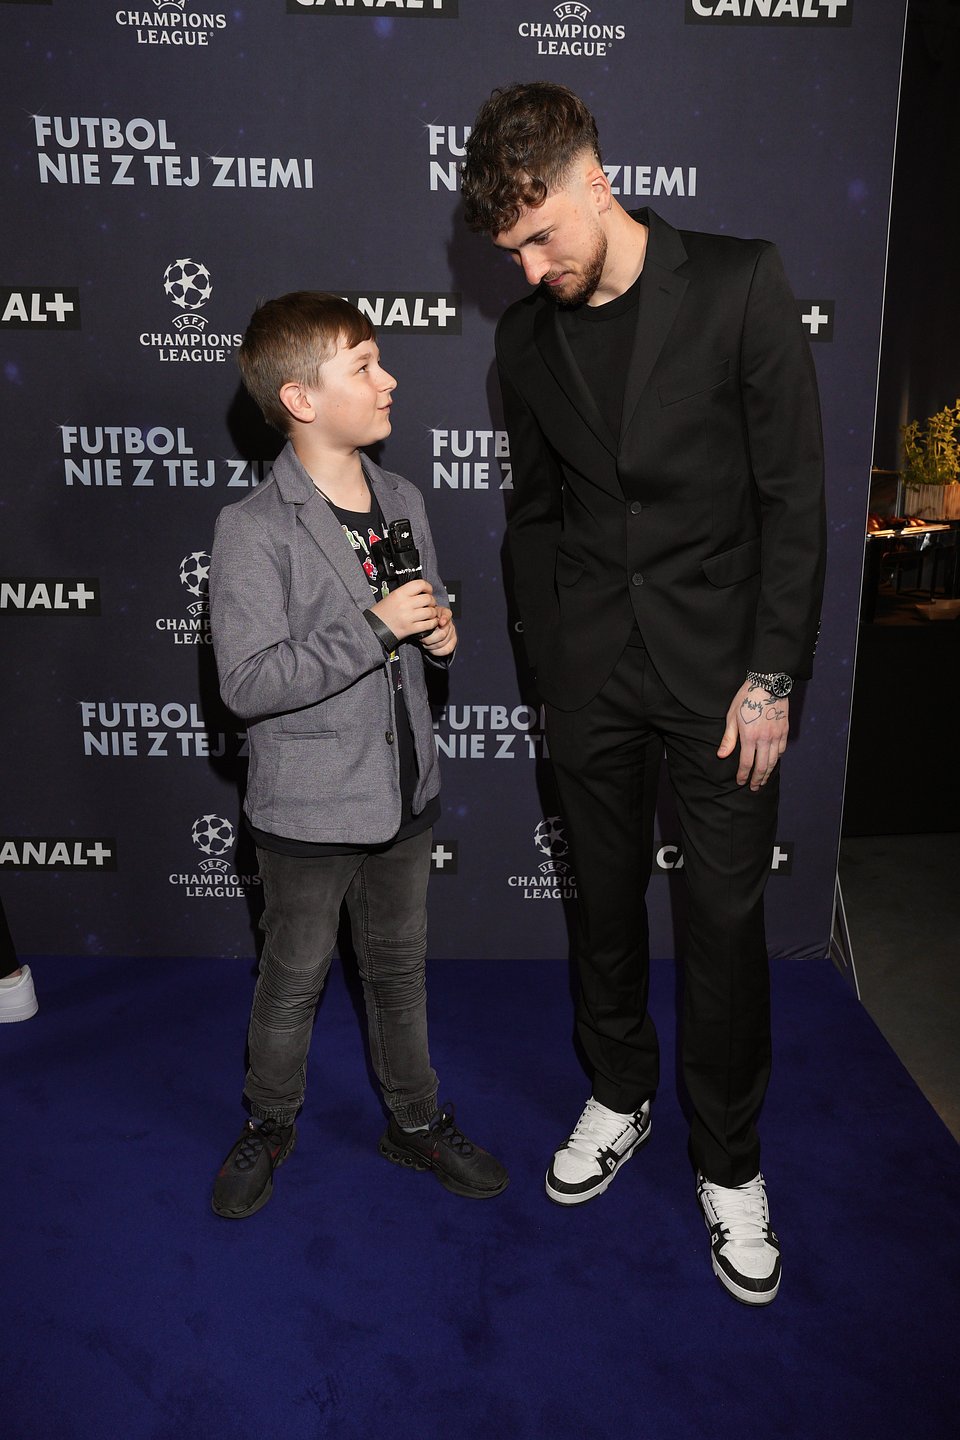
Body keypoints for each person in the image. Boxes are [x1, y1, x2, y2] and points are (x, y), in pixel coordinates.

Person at [461, 83, 825, 1304]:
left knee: (722, 923)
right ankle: (618, 1093)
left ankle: (729, 1161)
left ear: (595, 181)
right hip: (591, 676)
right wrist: (551, 664)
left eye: (539, 235)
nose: (529, 268)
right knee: (603, 906)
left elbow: (794, 498)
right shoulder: (525, 339)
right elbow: (535, 516)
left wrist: (772, 672)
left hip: (725, 677)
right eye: (509, 251)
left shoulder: (737, 282)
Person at [208, 292, 507, 1219]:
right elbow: (247, 682)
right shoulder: (253, 527)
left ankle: (415, 1122)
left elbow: (416, 629)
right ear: (301, 399)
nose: (390, 380)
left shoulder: (404, 498)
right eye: (365, 366)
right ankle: (268, 1123)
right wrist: (375, 628)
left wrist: (437, 639)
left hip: (404, 791)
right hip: (306, 809)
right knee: (292, 981)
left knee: (399, 972)